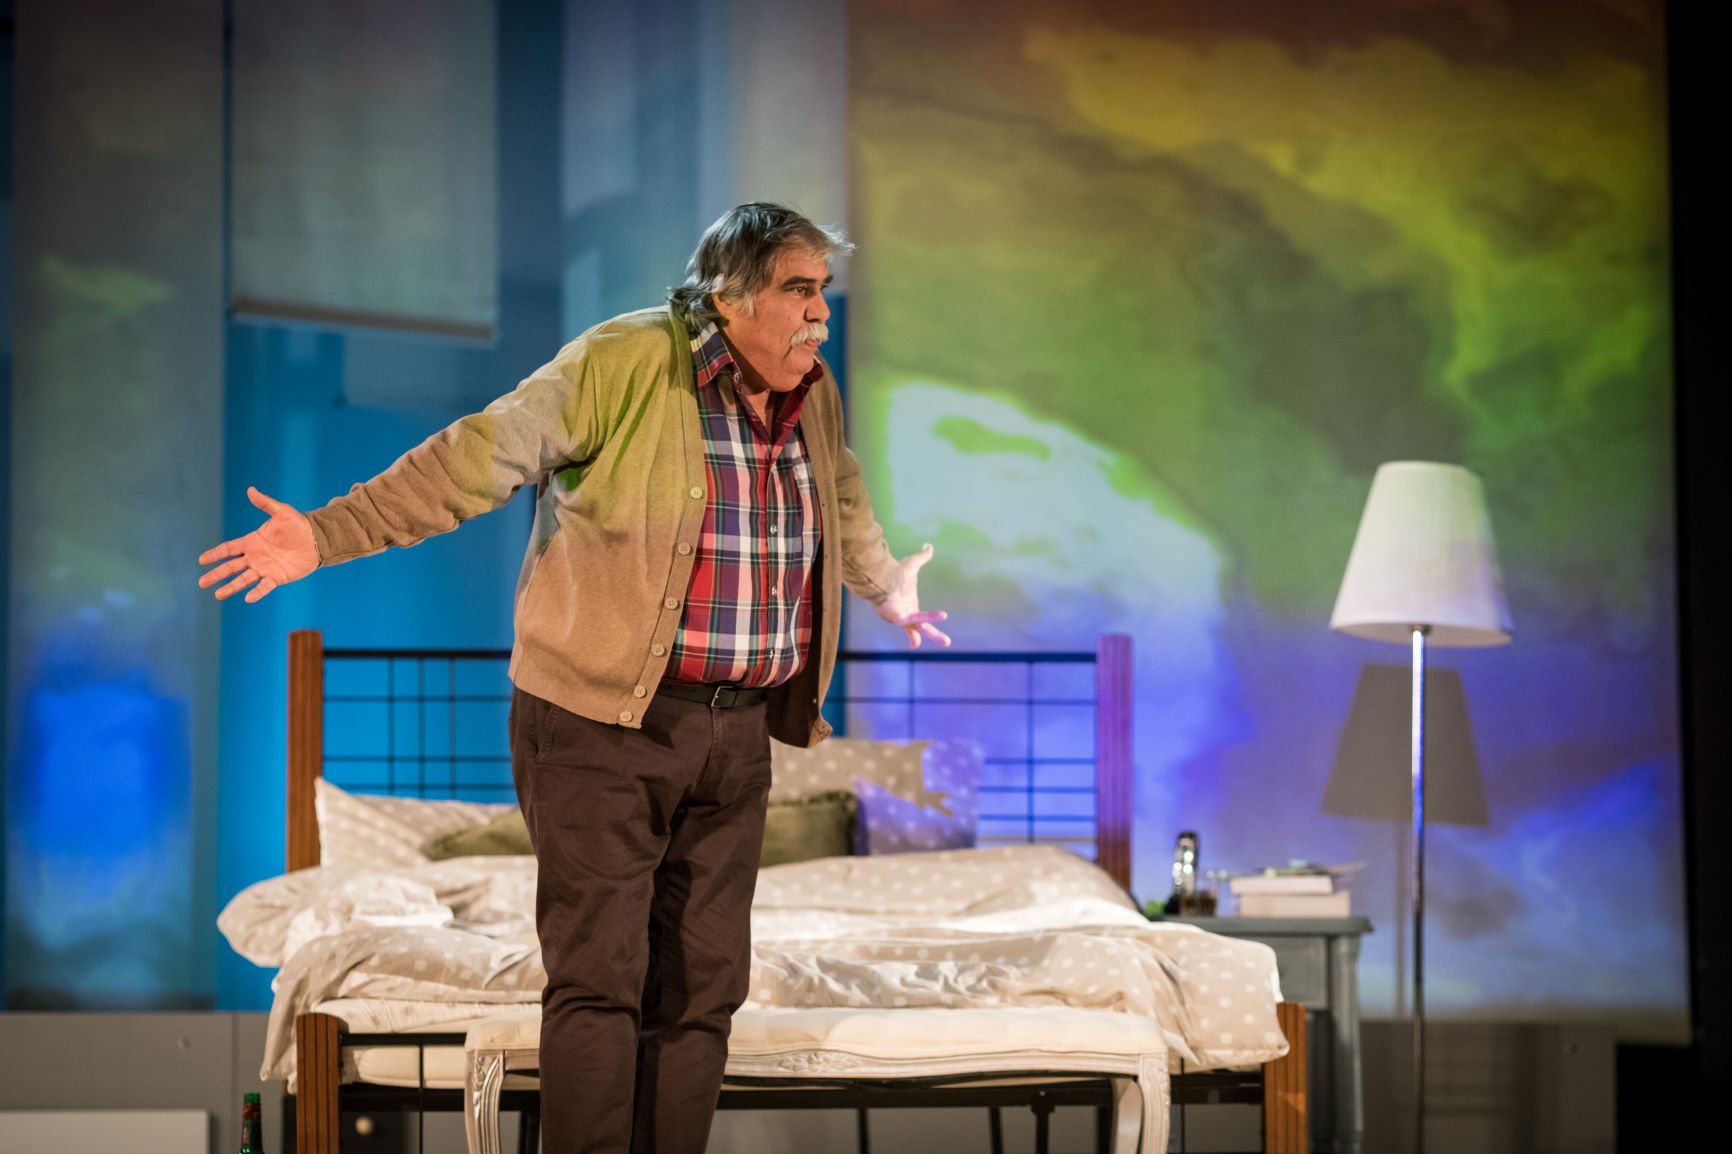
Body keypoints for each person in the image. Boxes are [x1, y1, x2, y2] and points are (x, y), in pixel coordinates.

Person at [198, 203, 947, 1153]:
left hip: (735, 731)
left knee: (706, 985)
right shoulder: (622, 361)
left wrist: (883, 584)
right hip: (599, 723)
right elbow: (473, 457)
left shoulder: (811, 389)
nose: (820, 315)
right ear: (731, 295)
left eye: (824, 292)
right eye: (799, 291)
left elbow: (836, 489)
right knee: (601, 979)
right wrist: (325, 533)